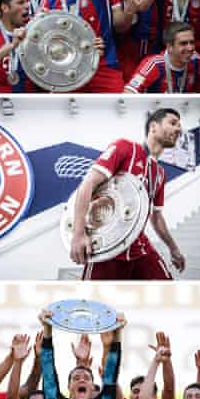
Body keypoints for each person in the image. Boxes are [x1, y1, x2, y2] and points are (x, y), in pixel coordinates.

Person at [68, 108, 185, 279]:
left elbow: (156, 217)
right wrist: (78, 234)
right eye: (173, 123)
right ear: (153, 126)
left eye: (179, 125)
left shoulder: (160, 173)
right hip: (109, 249)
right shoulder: (125, 147)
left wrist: (174, 248)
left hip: (141, 248)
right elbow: (88, 184)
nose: (178, 129)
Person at [124, 21, 200, 93]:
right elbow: (129, 92)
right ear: (169, 47)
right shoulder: (154, 64)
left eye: (192, 42)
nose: (190, 48)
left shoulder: (197, 60)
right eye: (183, 43)